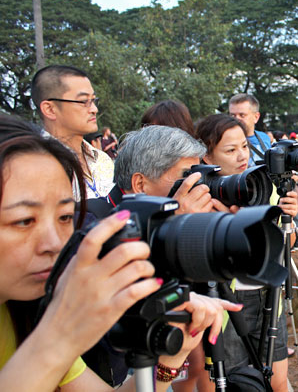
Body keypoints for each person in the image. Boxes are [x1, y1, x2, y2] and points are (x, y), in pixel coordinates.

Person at [0, 115, 237, 391]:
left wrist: (171, 358)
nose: (53, 243)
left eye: (64, 217)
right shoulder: (96, 229)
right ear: (140, 183)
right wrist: (57, 336)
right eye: (24, 220)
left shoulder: (23, 313)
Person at [195, 113, 298, 392]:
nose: (242, 155)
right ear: (207, 156)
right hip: (225, 303)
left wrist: (288, 219)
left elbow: (285, 249)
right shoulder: (198, 198)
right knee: (231, 383)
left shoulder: (267, 185)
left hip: (268, 295)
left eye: (244, 145)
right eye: (230, 150)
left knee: (276, 381)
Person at [31, 65, 114, 199]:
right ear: (50, 109)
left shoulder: (102, 160)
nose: (94, 109)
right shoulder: (34, 166)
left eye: (93, 100)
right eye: (83, 101)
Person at [228, 94, 271, 166]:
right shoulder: (225, 141)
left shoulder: (264, 138)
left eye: (242, 115)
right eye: (233, 115)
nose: (236, 119)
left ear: (256, 117)